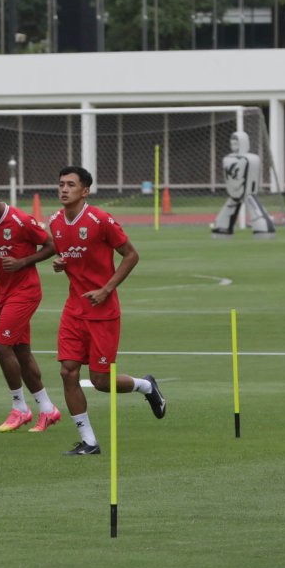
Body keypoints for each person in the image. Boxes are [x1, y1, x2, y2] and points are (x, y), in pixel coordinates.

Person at [50, 166, 166, 456]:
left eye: (71, 185)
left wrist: (106, 289)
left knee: (101, 382)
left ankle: (146, 387)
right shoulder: (54, 222)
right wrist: (60, 263)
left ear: (85, 191)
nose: (64, 189)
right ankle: (89, 441)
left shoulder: (100, 219)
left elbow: (131, 255)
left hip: (103, 312)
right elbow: (68, 255)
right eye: (61, 184)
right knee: (67, 372)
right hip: (74, 310)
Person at [0, 182, 61, 433]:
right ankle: (48, 410)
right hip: (4, 294)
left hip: (26, 292)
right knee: (21, 353)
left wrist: (23, 262)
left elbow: (51, 245)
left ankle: (20, 408)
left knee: (0, 346)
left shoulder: (20, 220)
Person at [211, 130, 277, 238]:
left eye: (236, 143)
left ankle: (262, 228)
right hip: (235, 191)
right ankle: (223, 227)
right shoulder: (228, 159)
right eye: (232, 143)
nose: (233, 146)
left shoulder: (250, 159)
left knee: (254, 210)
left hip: (247, 192)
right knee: (228, 211)